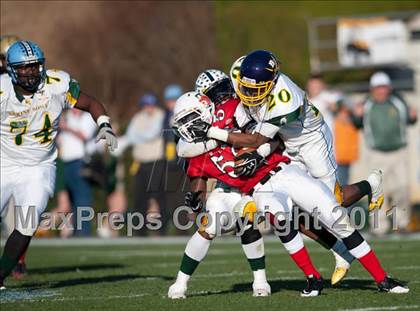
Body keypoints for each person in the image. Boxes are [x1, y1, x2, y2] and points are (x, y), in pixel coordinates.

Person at [171, 91, 409, 296]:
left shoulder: (235, 112)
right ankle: (313, 278)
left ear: (203, 110)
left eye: (188, 120)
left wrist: (260, 153)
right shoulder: (194, 152)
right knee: (282, 221)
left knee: (336, 217)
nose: (185, 128)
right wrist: (195, 201)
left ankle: (382, 279)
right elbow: (198, 186)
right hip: (259, 190)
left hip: (284, 171)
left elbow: (274, 136)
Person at [206, 50, 384, 285]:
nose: (248, 94)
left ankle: (370, 184)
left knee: (330, 203)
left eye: (255, 88)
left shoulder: (285, 98)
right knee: (291, 211)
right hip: (284, 141)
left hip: (310, 141)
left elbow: (258, 140)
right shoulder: (243, 75)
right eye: (245, 87)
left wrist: (214, 133)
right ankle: (339, 250)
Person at [0, 40, 117, 290]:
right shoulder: (2, 91)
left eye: (35, 66)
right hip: (4, 162)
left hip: (39, 167)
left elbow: (90, 103)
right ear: (11, 70)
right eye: (24, 68)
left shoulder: (55, 84)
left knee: (27, 224)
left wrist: (104, 124)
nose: (31, 72)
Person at [353, 72, 417, 235]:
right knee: (377, 191)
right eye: (377, 88)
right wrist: (357, 115)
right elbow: (356, 123)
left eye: (383, 87)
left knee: (402, 188)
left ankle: (401, 224)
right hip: (376, 154)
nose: (381, 91)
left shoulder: (398, 101)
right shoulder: (366, 104)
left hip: (399, 152)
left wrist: (413, 116)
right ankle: (378, 226)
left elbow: (411, 119)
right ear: (372, 89)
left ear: (388, 88)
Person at [124, 93, 167, 235]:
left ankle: (162, 231)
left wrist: (138, 135)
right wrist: (139, 136)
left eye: (150, 104)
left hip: (156, 162)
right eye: (145, 104)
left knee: (158, 197)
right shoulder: (138, 117)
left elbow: (151, 134)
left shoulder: (160, 115)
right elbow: (130, 136)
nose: (148, 107)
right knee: (139, 198)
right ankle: (140, 231)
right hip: (140, 163)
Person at [58, 109, 97, 236]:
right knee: (71, 200)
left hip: (80, 162)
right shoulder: (67, 116)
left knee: (82, 199)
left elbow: (84, 135)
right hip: (65, 163)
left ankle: (84, 233)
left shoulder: (87, 117)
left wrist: (66, 127)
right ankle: (75, 232)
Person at [162, 84, 190, 233]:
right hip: (170, 159)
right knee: (172, 195)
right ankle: (180, 227)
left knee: (185, 195)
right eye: (168, 100)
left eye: (173, 100)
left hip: (183, 159)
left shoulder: (185, 112)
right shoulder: (166, 115)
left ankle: (188, 226)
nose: (170, 103)